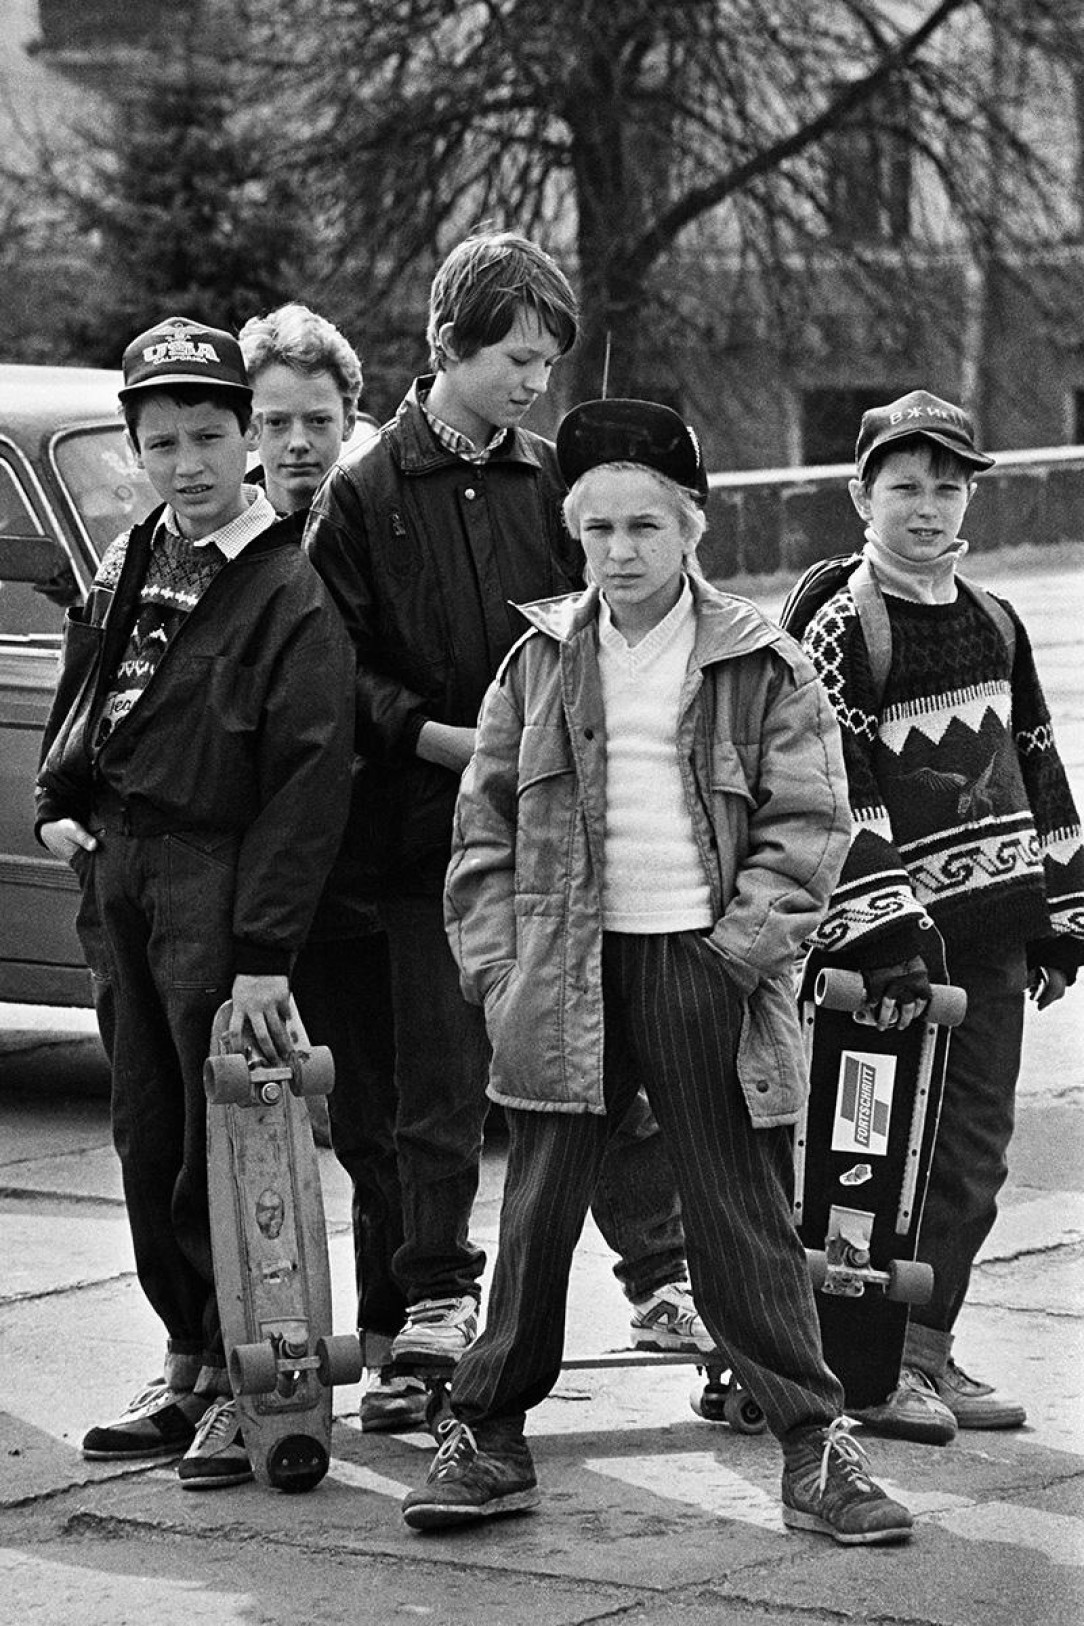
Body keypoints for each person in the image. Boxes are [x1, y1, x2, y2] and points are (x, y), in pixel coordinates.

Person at [400, 397, 914, 1547]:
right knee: (536, 1214)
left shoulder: (759, 660)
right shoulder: (535, 662)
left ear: (691, 529)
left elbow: (805, 827)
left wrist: (740, 954)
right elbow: (480, 834)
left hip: (701, 966)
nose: (620, 552)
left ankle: (812, 1443)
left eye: (645, 527)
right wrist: (496, 973)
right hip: (561, 972)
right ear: (573, 537)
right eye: (597, 531)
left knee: (739, 1214)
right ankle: (485, 1433)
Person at [304, 232, 712, 1431]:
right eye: (517, 358)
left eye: (547, 360)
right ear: (446, 350)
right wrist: (445, 740)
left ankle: (664, 1278)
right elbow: (338, 673)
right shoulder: (363, 496)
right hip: (423, 843)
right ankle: (436, 1298)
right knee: (441, 1079)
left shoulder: (548, 483)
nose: (537, 381)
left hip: (561, 837)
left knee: (600, 1059)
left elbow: (594, 626)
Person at [34, 315, 354, 1489]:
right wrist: (54, 802)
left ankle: (246, 1377)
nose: (188, 464)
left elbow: (306, 786)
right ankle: (184, 1366)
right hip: (118, 871)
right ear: (136, 445)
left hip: (217, 887)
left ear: (248, 441)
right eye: (161, 441)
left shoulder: (286, 590)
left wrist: (264, 953)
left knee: (231, 1139)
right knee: (144, 1125)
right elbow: (87, 698)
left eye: (210, 436)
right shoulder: (127, 561)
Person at [791, 389, 1084, 1444]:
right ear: (859, 493)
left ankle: (925, 1349)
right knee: (866, 1157)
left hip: (991, 937)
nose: (926, 507)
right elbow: (836, 786)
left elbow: (1035, 760)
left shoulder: (996, 621)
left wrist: (1056, 916)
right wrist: (886, 926)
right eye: (904, 485)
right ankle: (858, 1362)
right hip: (886, 953)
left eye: (946, 485)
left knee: (969, 1153)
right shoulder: (843, 628)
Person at [239, 302, 408, 1429]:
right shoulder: (229, 547)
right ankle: (252, 1355)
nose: (299, 443)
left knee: (377, 1126)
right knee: (247, 1133)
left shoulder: (368, 536)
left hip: (359, 882)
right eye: (277, 421)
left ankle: (396, 1338)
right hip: (251, 894)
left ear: (353, 420)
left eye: (320, 419)